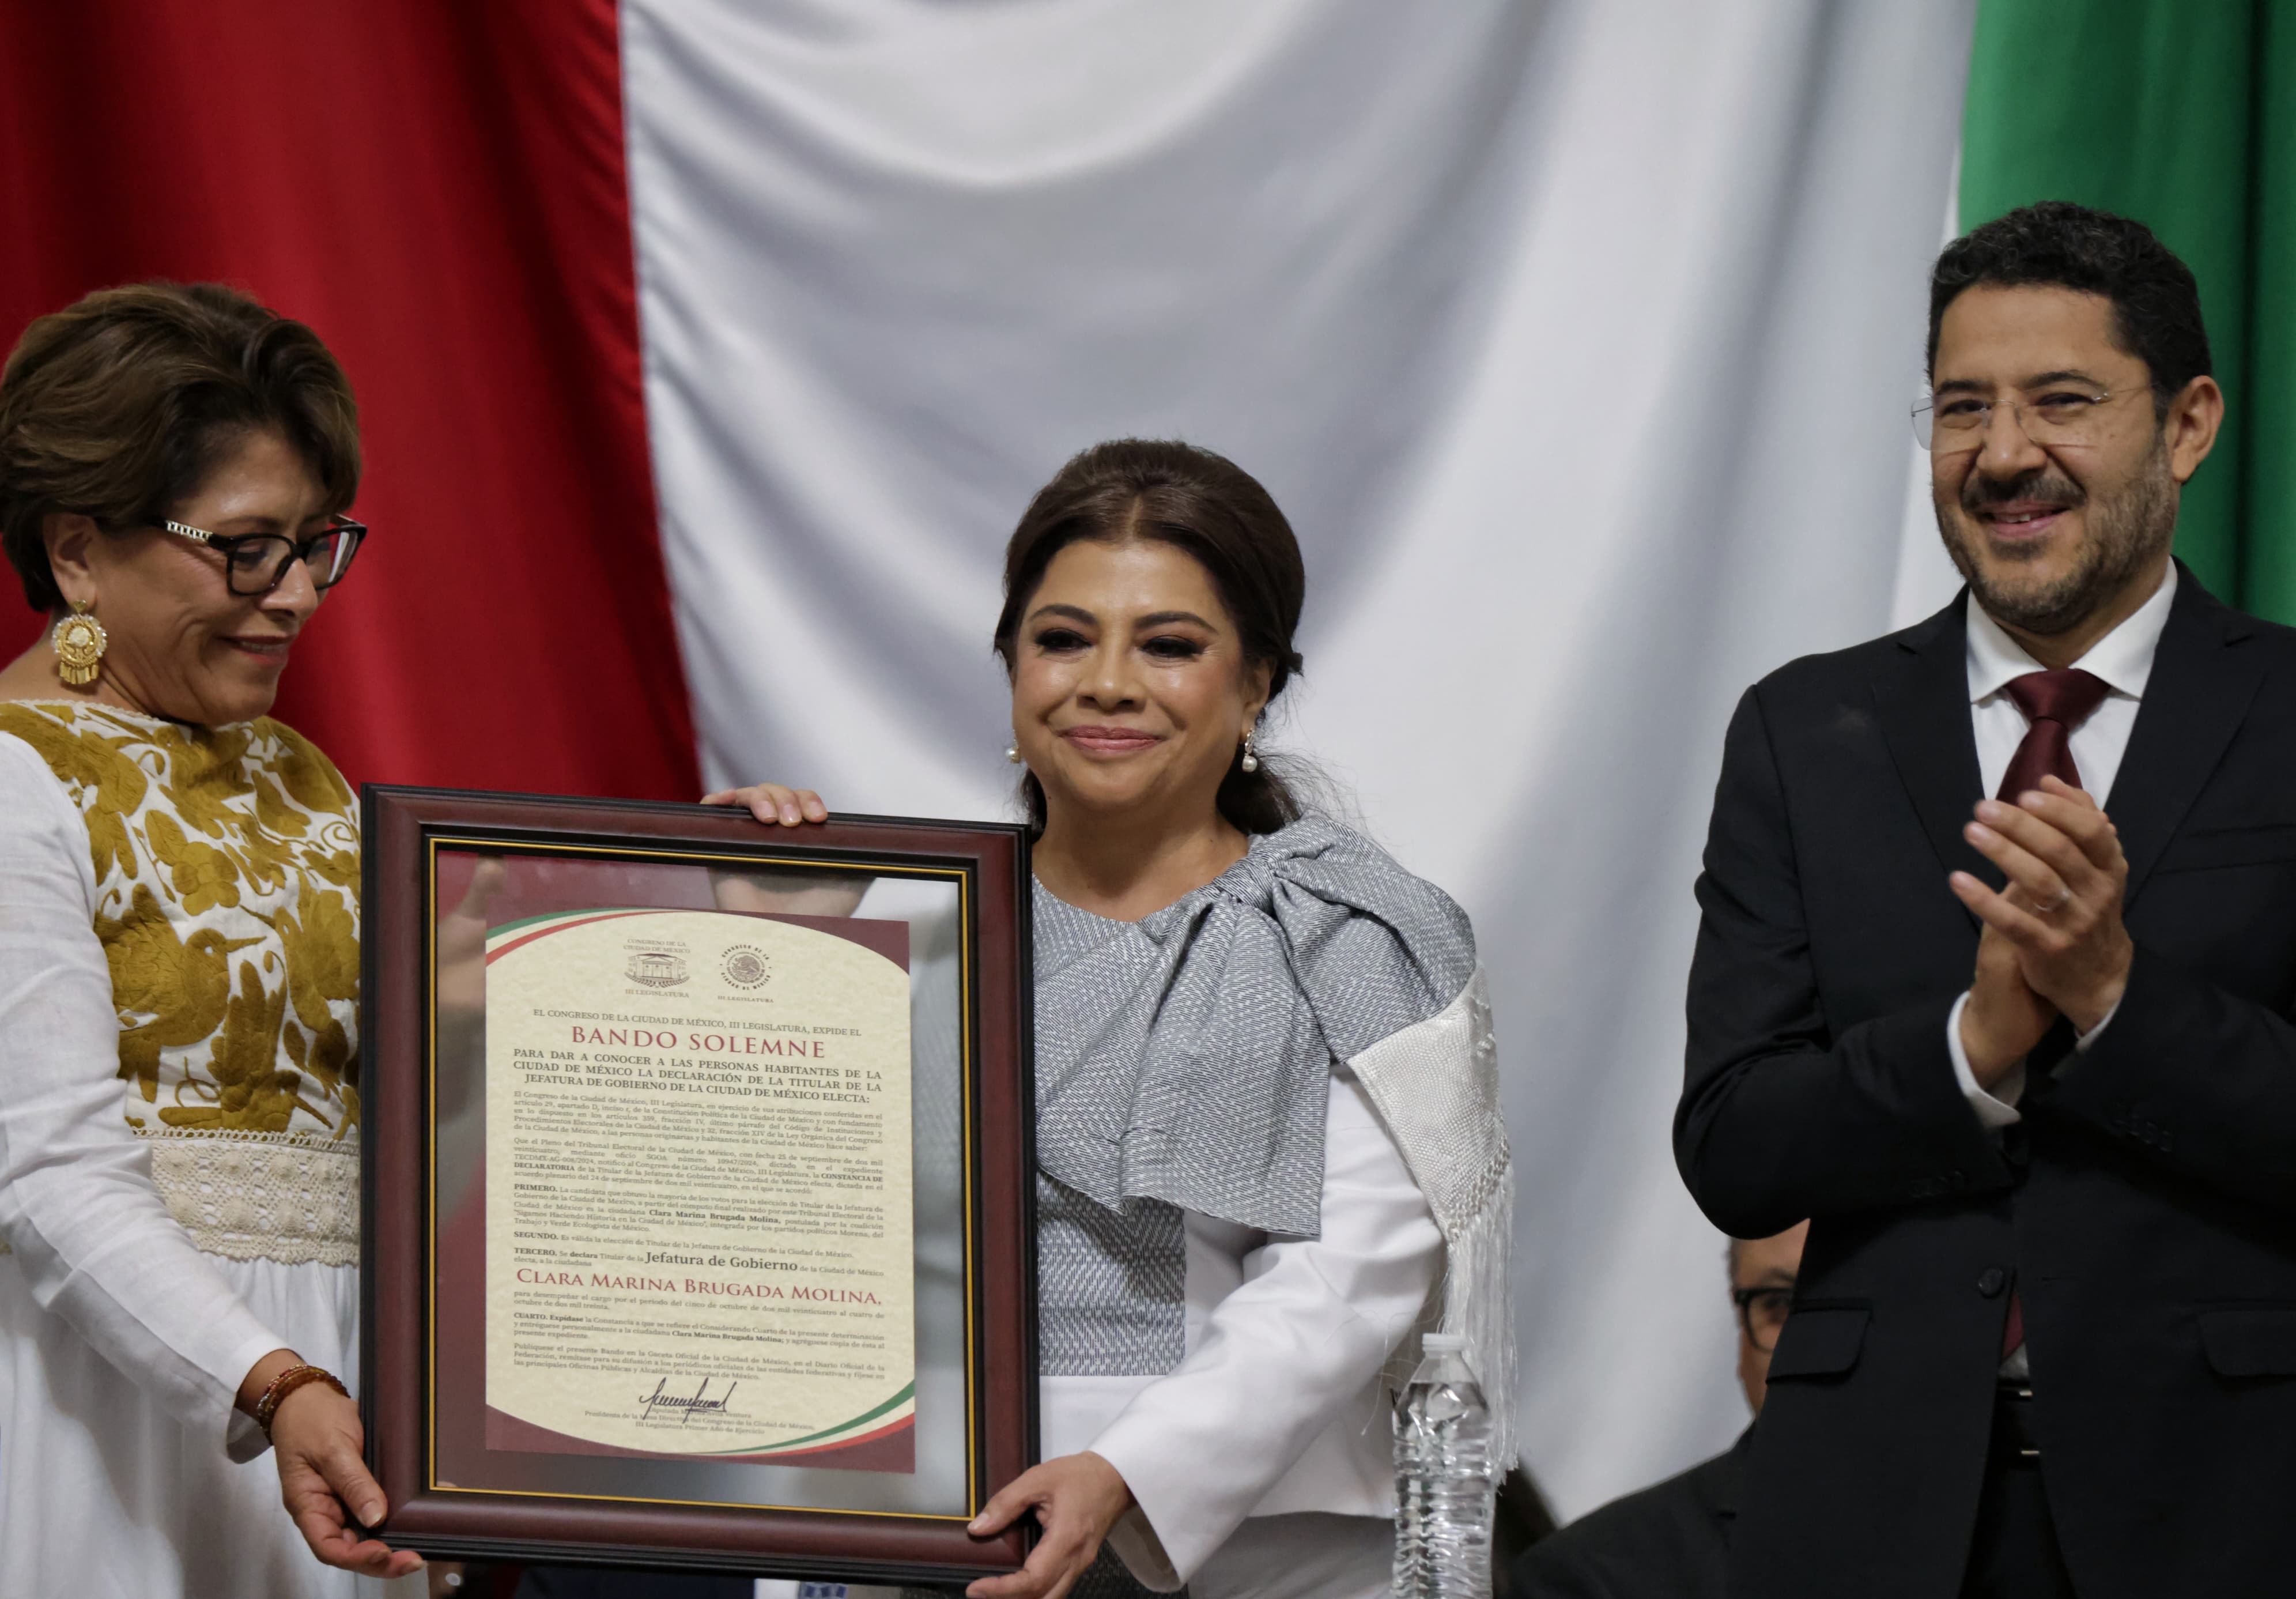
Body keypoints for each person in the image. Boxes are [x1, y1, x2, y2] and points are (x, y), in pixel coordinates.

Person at [712, 438, 1513, 1599]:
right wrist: (715, 930)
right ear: (1010, 665)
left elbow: (1349, 1272)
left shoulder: (1347, 932)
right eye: (1063, 637)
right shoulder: (893, 916)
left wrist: (1128, 1468)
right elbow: (757, 1229)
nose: (1106, 683)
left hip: (1255, 1549)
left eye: (1170, 645)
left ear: (1259, 684)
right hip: (917, 1527)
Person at [1677, 198, 2296, 1598]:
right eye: (1963, 409)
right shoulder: (1802, 726)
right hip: (1872, 1515)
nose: (2004, 455)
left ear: (2188, 423)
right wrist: (1974, 1050)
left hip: (2233, 1510)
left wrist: (2115, 1001)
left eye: (2060, 402)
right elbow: (1735, 1139)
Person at [0, 283, 424, 1593]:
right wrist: (274, 1382)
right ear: (77, 551)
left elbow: (446, 1107)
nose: (297, 593)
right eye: (246, 548)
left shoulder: (310, 785)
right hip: (71, 1420)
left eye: (315, 544)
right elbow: (49, 1173)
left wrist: (701, 890)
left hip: (321, 1427)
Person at [1506, 1222, 1806, 1599]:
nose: (1817, 1339)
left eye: (1853, 1302)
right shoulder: (1592, 1579)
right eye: (1779, 1302)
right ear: (1739, 1318)